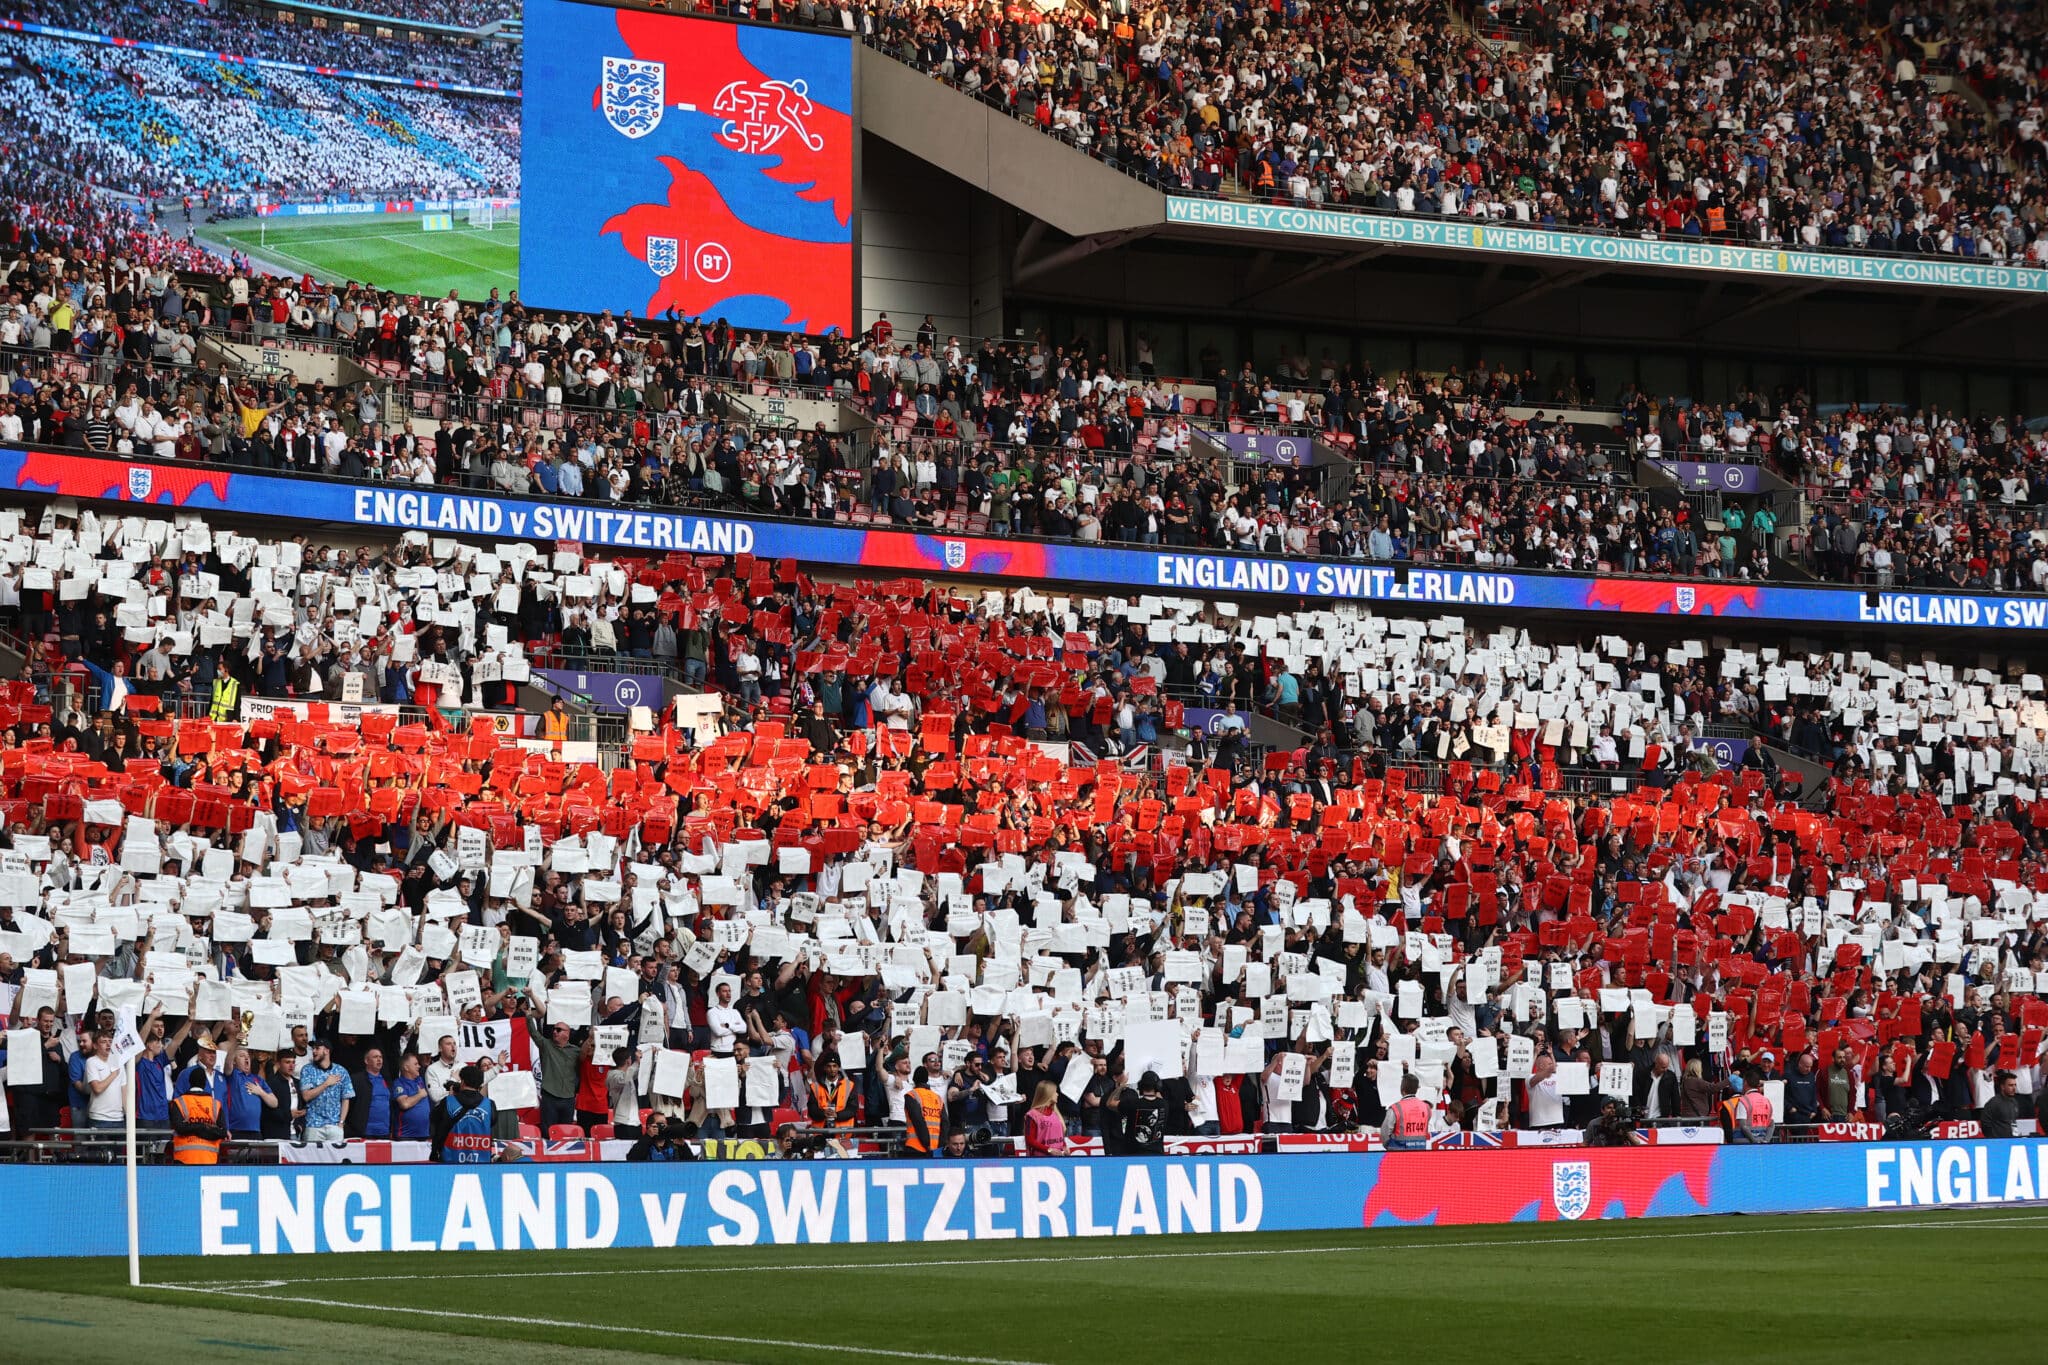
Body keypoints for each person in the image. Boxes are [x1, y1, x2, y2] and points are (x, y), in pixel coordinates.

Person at [433, 1064, 497, 1163]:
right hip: (481, 1163)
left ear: (462, 1082)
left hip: (450, 1162)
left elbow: (434, 1119)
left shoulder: (448, 1102)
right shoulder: (489, 1104)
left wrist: (450, 1097)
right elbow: (492, 1122)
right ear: (480, 1085)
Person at [297, 1039, 354, 1143]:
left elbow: (346, 1098)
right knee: (312, 1158)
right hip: (313, 1125)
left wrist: (341, 1122)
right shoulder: (307, 1070)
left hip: (335, 1125)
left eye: (317, 1048)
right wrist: (326, 1084)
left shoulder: (341, 1071)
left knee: (335, 1158)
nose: (314, 1051)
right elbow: (306, 1096)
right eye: (313, 1048)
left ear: (327, 1051)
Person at [169, 1072, 227, 1164]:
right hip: (209, 1159)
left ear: (190, 1082)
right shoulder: (215, 1104)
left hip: (184, 1159)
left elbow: (180, 1128)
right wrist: (203, 1127)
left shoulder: (179, 1102)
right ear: (205, 1083)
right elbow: (222, 1132)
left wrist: (196, 1128)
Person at [82, 1031, 125, 1131]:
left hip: (119, 1118)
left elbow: (124, 1091)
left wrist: (129, 1116)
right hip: (99, 1118)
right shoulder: (91, 1062)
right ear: (95, 1046)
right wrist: (113, 1074)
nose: (108, 1044)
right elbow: (97, 1088)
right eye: (103, 1041)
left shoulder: (120, 1063)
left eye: (110, 1041)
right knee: (99, 1147)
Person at [1381, 1074, 1431, 1151]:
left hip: (1399, 1154)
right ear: (1417, 1089)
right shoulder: (1426, 1108)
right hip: (1420, 1153)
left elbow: (1385, 1132)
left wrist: (1389, 1146)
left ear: (1402, 1089)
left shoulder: (1395, 1108)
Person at [902, 1065, 944, 1156]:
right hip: (936, 1148)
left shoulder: (911, 1095)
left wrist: (927, 1143)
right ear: (927, 1079)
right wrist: (940, 1146)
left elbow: (918, 1121)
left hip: (915, 1147)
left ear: (914, 1079)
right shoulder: (938, 1098)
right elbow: (945, 1123)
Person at [1123, 1071, 1168, 1155]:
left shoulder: (1132, 1103)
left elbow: (1110, 1103)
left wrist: (1121, 1086)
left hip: (1133, 1153)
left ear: (1140, 1086)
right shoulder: (1164, 1104)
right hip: (1156, 1153)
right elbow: (1159, 1098)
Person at [808, 1055, 856, 1131]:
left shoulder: (849, 1085)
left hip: (843, 1132)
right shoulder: (815, 1086)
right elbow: (811, 1109)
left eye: (834, 1066)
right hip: (821, 1131)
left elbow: (853, 1109)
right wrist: (823, 1113)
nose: (832, 1069)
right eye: (829, 1066)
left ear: (839, 1068)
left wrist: (837, 1115)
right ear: (824, 1068)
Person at [392, 1053, 433, 1141]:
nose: (418, 1066)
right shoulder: (399, 1083)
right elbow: (404, 1104)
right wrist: (420, 1095)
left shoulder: (420, 1080)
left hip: (424, 1134)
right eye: (415, 1064)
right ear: (406, 1067)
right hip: (405, 1135)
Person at [626, 1113, 692, 1162]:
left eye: (666, 1123)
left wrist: (683, 1146)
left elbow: (692, 1164)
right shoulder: (644, 1143)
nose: (665, 1126)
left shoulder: (673, 1144)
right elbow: (632, 1159)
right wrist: (648, 1136)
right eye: (661, 1123)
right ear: (650, 1126)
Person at [1024, 1081, 1067, 1155]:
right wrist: (1049, 1150)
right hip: (1041, 1159)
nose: (1057, 1094)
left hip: (1059, 1157)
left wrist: (1064, 1146)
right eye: (1055, 1092)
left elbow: (1059, 1136)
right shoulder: (1032, 1115)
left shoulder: (1055, 1113)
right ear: (1048, 1094)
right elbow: (1030, 1140)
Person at [1980, 1071, 2021, 1138]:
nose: (2014, 1088)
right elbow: (1985, 1123)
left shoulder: (2014, 1102)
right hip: (1998, 1143)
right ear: (2002, 1087)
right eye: (2010, 1085)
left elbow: (2014, 1122)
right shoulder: (1993, 1103)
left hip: (2012, 1140)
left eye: (2015, 1085)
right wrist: (1994, 1139)